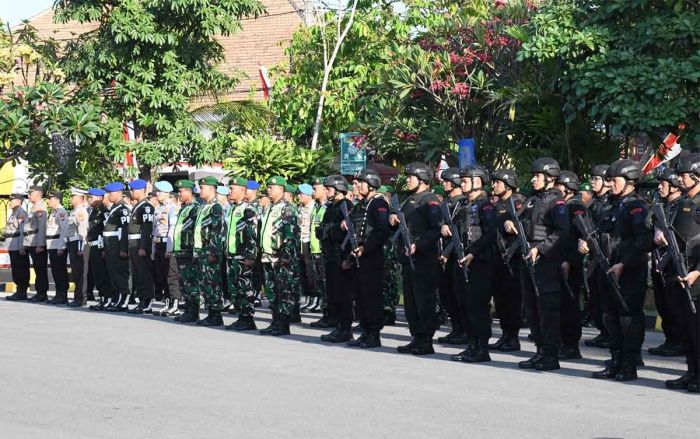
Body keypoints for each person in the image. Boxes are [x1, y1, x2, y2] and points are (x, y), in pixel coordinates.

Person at [583, 159, 652, 381]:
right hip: (607, 268)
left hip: (628, 271)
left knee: (628, 319)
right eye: (609, 180)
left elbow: (643, 240)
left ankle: (629, 365)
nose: (610, 183)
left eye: (615, 180)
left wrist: (624, 263)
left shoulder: (637, 207)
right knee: (609, 317)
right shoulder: (609, 205)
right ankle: (615, 360)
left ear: (630, 181)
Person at [504, 157, 569, 371]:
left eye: (538, 176)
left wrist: (540, 249)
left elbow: (561, 232)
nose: (533, 180)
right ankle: (540, 351)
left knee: (547, 310)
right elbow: (521, 220)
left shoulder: (556, 202)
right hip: (528, 260)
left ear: (550, 178)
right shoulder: (532, 200)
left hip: (546, 263)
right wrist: (510, 223)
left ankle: (550, 355)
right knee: (532, 309)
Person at [390, 162, 442, 356]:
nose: (408, 180)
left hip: (423, 259)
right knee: (411, 302)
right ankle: (416, 337)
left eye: (411, 177)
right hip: (407, 258)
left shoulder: (430, 201)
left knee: (424, 301)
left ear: (421, 179)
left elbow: (436, 229)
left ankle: (425, 340)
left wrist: (418, 245)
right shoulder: (409, 200)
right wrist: (393, 219)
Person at [658, 154, 700, 393]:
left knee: (697, 328)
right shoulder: (682, 202)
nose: (680, 180)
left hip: (695, 275)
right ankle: (691, 371)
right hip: (678, 272)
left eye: (684, 176)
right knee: (684, 327)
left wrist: (697, 272)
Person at [449, 165, 497, 363]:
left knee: (478, 306)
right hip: (463, 260)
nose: (462, 183)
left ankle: (481, 348)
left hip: (480, 262)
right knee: (466, 304)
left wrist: (473, 253)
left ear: (477, 182)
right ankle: (471, 344)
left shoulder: (485, 206)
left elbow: (489, 234)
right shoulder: (462, 205)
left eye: (466, 180)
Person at [341, 168, 392, 348]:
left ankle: (373, 333)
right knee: (360, 297)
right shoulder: (360, 204)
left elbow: (382, 231)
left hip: (371, 256)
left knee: (371, 297)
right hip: (358, 257)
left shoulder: (378, 204)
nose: (355, 186)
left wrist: (366, 248)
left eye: (359, 183)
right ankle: (364, 331)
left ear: (371, 185)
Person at [648, 168, 686, 357]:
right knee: (663, 304)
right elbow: (653, 227)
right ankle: (671, 339)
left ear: (674, 186)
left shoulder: (683, 206)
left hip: (675, 263)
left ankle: (680, 341)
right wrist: (655, 230)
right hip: (660, 263)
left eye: (663, 184)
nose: (660, 187)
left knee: (676, 306)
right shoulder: (661, 207)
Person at [259, 176, 299, 336]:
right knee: (272, 291)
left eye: (271, 187)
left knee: (284, 292)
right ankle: (275, 320)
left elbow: (291, 235)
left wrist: (286, 256)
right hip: (268, 256)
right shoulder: (270, 207)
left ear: (281, 190)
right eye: (268, 187)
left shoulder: (287, 208)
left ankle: (283, 324)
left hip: (281, 257)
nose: (268, 190)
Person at [488, 169, 523, 352]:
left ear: (508, 184)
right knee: (500, 300)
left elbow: (524, 226)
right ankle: (505, 335)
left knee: (511, 300)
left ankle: (513, 337)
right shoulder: (497, 204)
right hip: (497, 258)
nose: (494, 185)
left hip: (512, 258)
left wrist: (512, 224)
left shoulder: (518, 202)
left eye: (498, 182)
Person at [555, 171, 588, 360]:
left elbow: (583, 237)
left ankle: (571, 345)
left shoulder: (576, 206)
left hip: (571, 265)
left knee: (570, 306)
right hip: (560, 262)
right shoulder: (562, 206)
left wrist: (569, 260)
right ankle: (563, 342)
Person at [316, 175, 353, 336]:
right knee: (333, 293)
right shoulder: (331, 206)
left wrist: (331, 230)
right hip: (330, 255)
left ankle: (344, 328)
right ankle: (338, 325)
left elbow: (348, 231)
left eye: (328, 188)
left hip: (341, 255)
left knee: (342, 293)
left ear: (338, 189)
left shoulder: (346, 205)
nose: (325, 191)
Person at [436, 167, 469, 345]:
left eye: (447, 180)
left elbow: (460, 232)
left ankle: (464, 329)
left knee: (459, 295)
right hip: (442, 255)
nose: (444, 183)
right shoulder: (445, 203)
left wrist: (447, 252)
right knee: (447, 295)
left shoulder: (463, 203)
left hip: (456, 255)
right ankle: (456, 328)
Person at [224, 177, 259, 331]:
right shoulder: (233, 209)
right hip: (231, 255)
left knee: (245, 288)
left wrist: (250, 255)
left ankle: (248, 319)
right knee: (234, 289)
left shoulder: (248, 209)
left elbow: (252, 234)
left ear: (243, 191)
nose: (229, 192)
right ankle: (240, 317)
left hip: (243, 256)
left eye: (232, 189)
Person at [191, 176, 225, 326]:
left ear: (211, 188)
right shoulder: (203, 206)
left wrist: (213, 252)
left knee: (212, 284)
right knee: (205, 284)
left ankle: (215, 315)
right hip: (201, 251)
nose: (199, 191)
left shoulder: (215, 207)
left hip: (209, 252)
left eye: (202, 187)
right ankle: (211, 313)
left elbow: (216, 232)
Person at [585, 164, 612, 349]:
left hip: (608, 255)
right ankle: (603, 332)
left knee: (607, 299)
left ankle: (610, 334)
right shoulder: (594, 203)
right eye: (592, 179)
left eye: (596, 179)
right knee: (594, 296)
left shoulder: (611, 203)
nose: (593, 182)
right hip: (594, 255)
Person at [173, 180, 202, 323]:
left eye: (181, 191)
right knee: (184, 283)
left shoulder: (195, 208)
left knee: (191, 283)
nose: (179, 194)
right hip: (181, 251)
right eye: (178, 191)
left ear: (190, 192)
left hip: (189, 251)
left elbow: (194, 230)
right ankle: (188, 310)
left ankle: (193, 312)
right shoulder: (184, 208)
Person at [152, 180, 181, 316]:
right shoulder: (158, 209)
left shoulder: (172, 208)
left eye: (159, 192)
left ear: (166, 193)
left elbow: (172, 230)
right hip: (158, 244)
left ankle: (175, 304)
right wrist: (153, 249)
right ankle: (167, 303)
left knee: (171, 275)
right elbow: (155, 230)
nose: (157, 194)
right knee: (161, 276)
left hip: (167, 245)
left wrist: (169, 249)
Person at [126, 179, 155, 314]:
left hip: (140, 244)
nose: (131, 192)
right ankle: (142, 300)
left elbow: (146, 228)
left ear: (141, 190)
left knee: (144, 274)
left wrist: (143, 247)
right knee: (137, 274)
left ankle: (147, 301)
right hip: (133, 244)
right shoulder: (138, 206)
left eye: (133, 190)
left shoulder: (146, 207)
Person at [102, 182, 131, 312]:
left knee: (120, 274)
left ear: (119, 193)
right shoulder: (115, 208)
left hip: (117, 246)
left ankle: (124, 299)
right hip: (110, 246)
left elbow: (125, 229)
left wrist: (123, 248)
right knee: (113, 274)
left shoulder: (123, 209)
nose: (108, 196)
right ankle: (118, 298)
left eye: (110, 193)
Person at [302, 178, 327, 314]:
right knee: (316, 280)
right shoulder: (317, 207)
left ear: (324, 189)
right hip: (314, 248)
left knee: (324, 281)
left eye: (315, 188)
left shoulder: (327, 206)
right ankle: (320, 305)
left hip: (322, 250)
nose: (313, 191)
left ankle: (325, 308)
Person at [87, 188, 113, 310]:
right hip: (93, 245)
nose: (90, 200)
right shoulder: (93, 212)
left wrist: (104, 250)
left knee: (103, 274)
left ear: (100, 198)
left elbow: (105, 231)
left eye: (92, 197)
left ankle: (107, 298)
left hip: (100, 246)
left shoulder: (104, 212)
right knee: (97, 274)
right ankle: (102, 298)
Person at [24, 185, 49, 302]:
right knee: (37, 269)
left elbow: (42, 227)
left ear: (38, 194)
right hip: (31, 242)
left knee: (40, 269)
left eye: (31, 193)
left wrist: (40, 244)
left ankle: (42, 293)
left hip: (37, 243)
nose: (29, 196)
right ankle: (40, 292)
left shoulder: (41, 208)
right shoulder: (34, 207)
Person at [66, 188, 90, 307]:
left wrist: (81, 248)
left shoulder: (81, 212)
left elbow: (82, 231)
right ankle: (77, 297)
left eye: (73, 197)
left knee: (80, 272)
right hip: (72, 243)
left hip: (78, 244)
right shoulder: (74, 211)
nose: (71, 199)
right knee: (76, 272)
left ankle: (81, 298)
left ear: (80, 198)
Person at [4, 193, 30, 301]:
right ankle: (18, 291)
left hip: (18, 245)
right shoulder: (13, 214)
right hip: (12, 245)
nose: (10, 202)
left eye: (12, 200)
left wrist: (22, 246)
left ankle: (22, 292)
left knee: (21, 269)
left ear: (19, 201)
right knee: (15, 269)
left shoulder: (21, 213)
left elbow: (23, 231)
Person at [46, 191, 70, 305]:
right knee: (55, 271)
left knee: (60, 271)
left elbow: (64, 230)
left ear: (56, 199)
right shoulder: (53, 212)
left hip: (58, 246)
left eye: (50, 199)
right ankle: (58, 294)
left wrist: (61, 246)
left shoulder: (61, 212)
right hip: (52, 244)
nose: (48, 201)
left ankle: (62, 295)